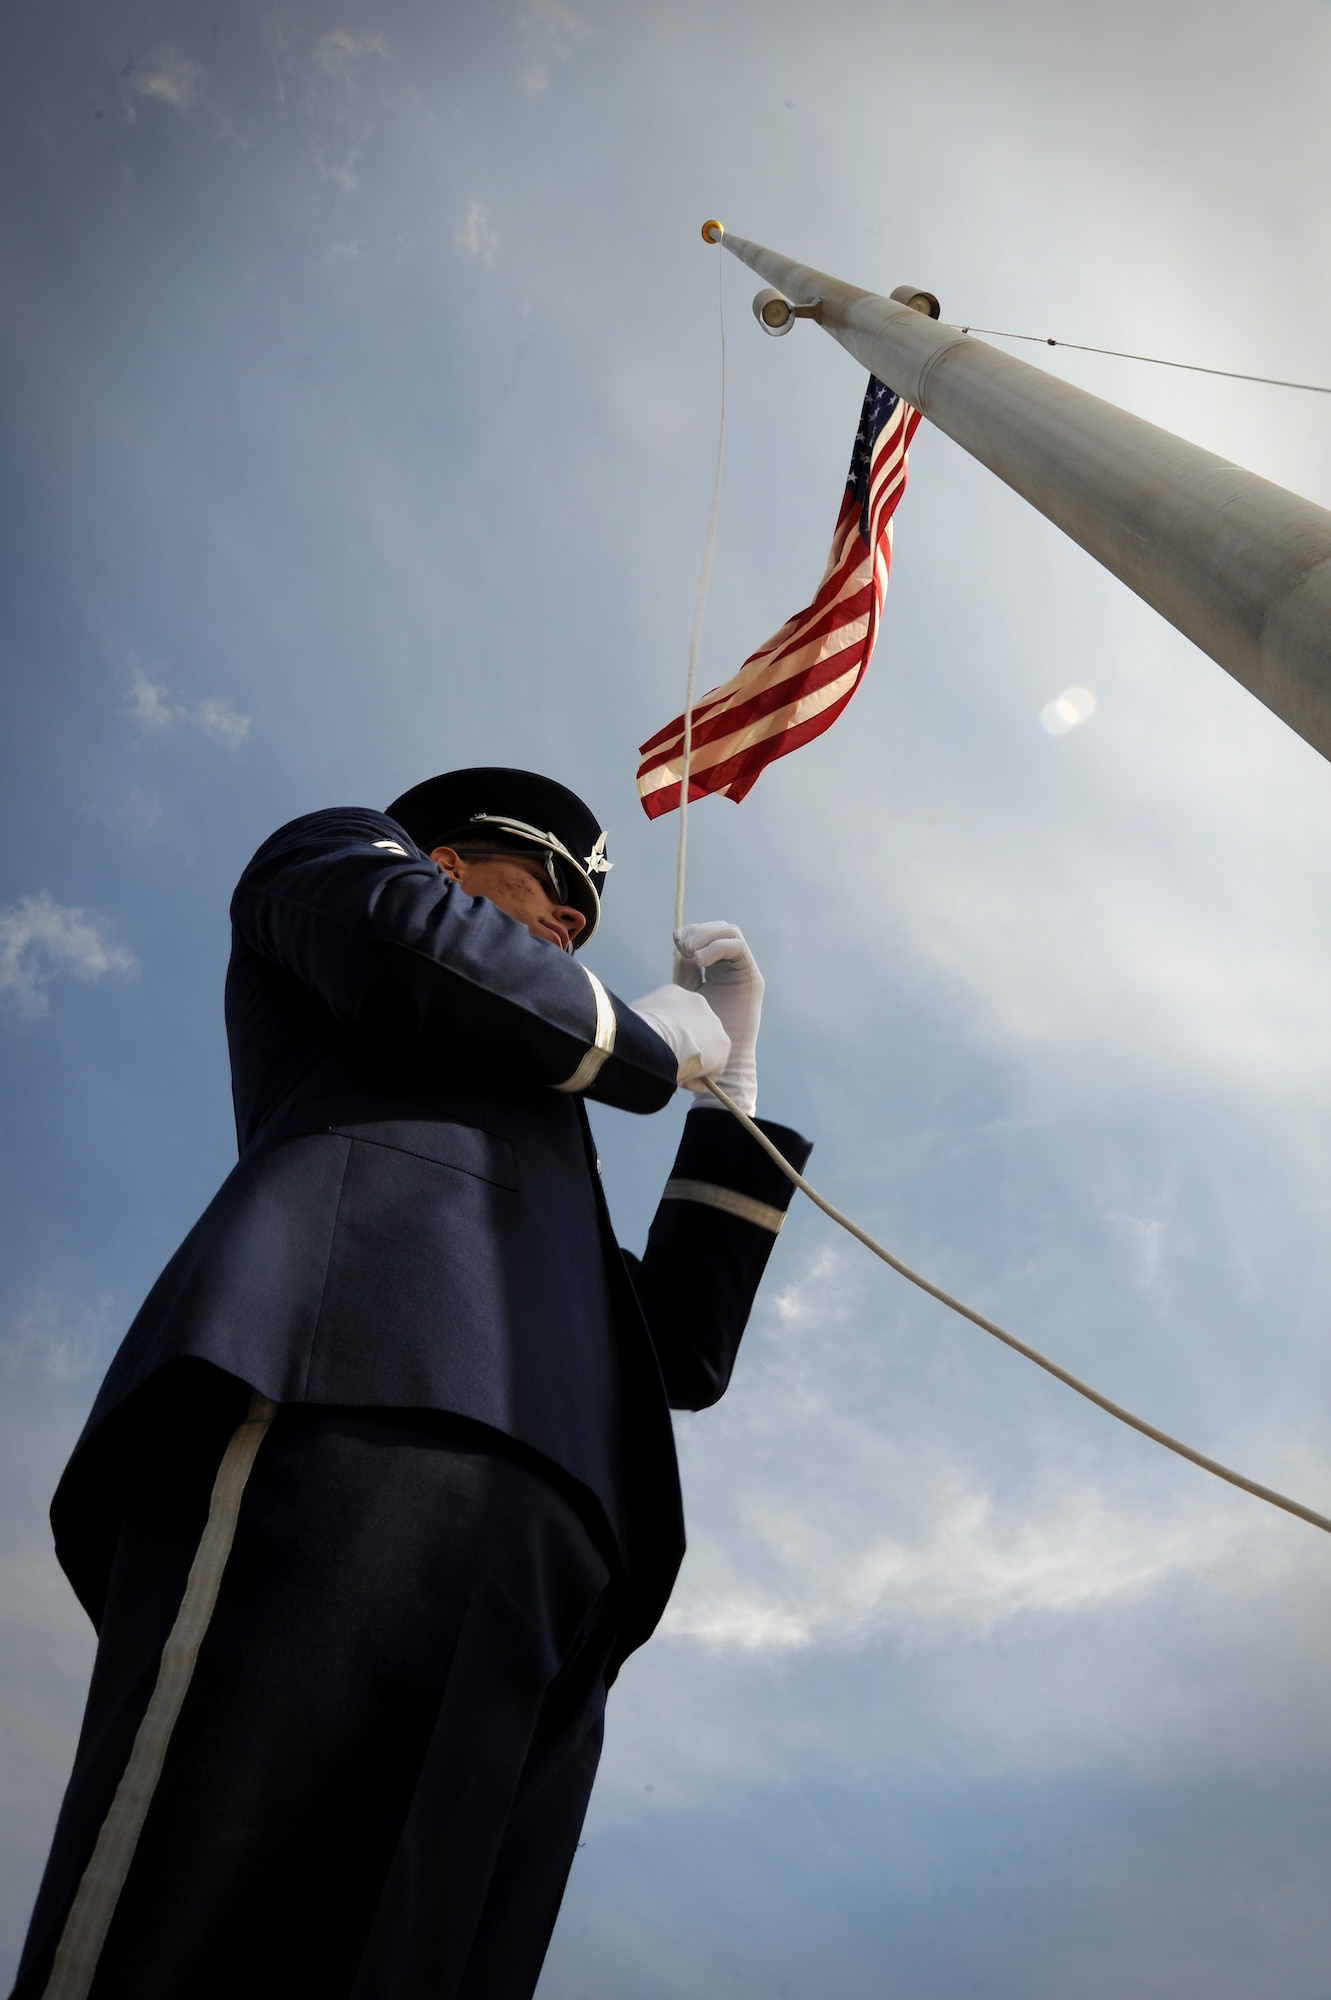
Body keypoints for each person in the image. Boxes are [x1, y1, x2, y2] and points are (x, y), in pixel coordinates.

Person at [12, 767, 812, 2000]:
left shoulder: (548, 1138)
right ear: (442, 862)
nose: (567, 924)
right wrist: (646, 1041)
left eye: (581, 923)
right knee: (211, 1916)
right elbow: (417, 955)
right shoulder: (341, 859)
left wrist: (733, 1098)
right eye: (550, 887)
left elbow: (677, 1355)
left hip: (568, 1544)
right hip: (353, 1388)